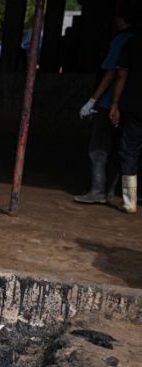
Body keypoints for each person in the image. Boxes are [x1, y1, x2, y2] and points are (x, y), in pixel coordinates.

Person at [74, 9, 137, 205]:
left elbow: (113, 73)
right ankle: (114, 193)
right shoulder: (136, 41)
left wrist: (93, 100)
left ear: (120, 20)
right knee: (125, 150)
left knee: (99, 147)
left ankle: (97, 190)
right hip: (130, 105)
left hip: (110, 102)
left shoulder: (122, 41)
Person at [110, 28, 142, 214]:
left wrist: (114, 103)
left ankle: (130, 202)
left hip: (134, 107)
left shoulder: (132, 44)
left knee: (130, 150)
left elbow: (121, 75)